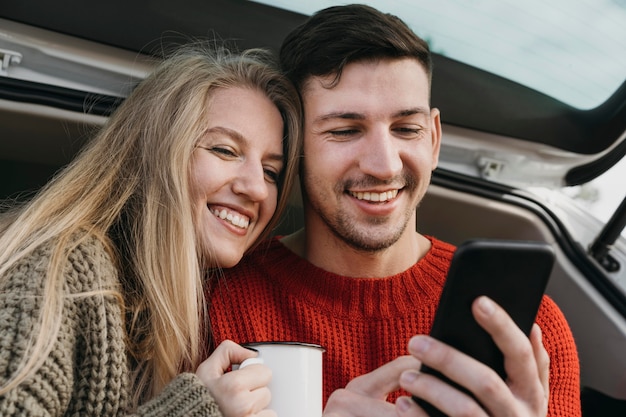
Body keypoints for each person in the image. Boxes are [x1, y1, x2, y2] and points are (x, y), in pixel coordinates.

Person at [208, 4, 581, 417]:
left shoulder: (526, 329)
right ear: (295, 146)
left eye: (406, 129)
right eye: (345, 131)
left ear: (434, 139)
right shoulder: (211, 301)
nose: (384, 165)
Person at [0, 43, 302, 416]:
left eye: (271, 172)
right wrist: (198, 410)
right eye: (225, 150)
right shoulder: (61, 266)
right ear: (156, 150)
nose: (256, 188)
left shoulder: (171, 303)